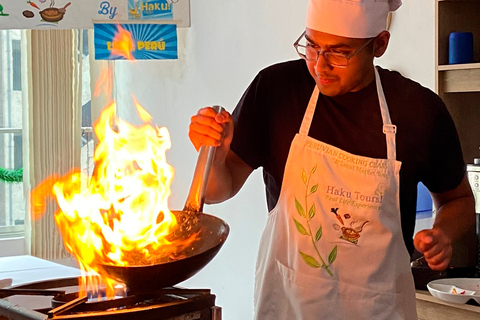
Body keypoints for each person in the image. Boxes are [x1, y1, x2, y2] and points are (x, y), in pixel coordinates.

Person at [188, 0, 475, 319]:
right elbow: (216, 191)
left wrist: (442, 234)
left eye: (339, 52)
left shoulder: (419, 110)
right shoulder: (276, 91)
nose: (319, 66)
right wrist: (213, 151)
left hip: (380, 312)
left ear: (379, 44)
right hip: (289, 308)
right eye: (312, 45)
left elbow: (459, 201)